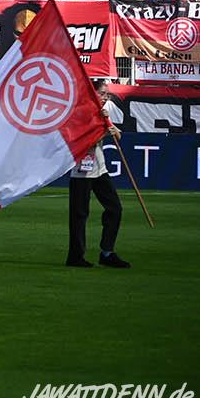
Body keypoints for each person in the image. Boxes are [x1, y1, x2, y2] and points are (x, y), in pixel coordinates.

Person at [67, 83, 130, 269]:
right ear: (92, 93)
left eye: (107, 95)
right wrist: (102, 132)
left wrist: (111, 129)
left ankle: (107, 252)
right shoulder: (80, 114)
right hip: (81, 172)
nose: (105, 97)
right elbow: (81, 142)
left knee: (115, 208)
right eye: (102, 93)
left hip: (99, 169)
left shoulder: (103, 114)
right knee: (79, 215)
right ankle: (75, 256)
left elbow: (118, 135)